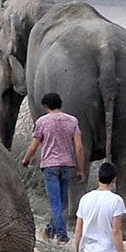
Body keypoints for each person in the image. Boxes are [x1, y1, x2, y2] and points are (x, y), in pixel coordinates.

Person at [21, 91, 86, 241]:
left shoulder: (42, 122)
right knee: (61, 202)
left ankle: (61, 235)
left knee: (55, 202)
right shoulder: (72, 121)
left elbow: (34, 145)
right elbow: (79, 147)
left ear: (46, 106)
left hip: (50, 165)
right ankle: (49, 231)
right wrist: (80, 168)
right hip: (68, 164)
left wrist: (26, 160)